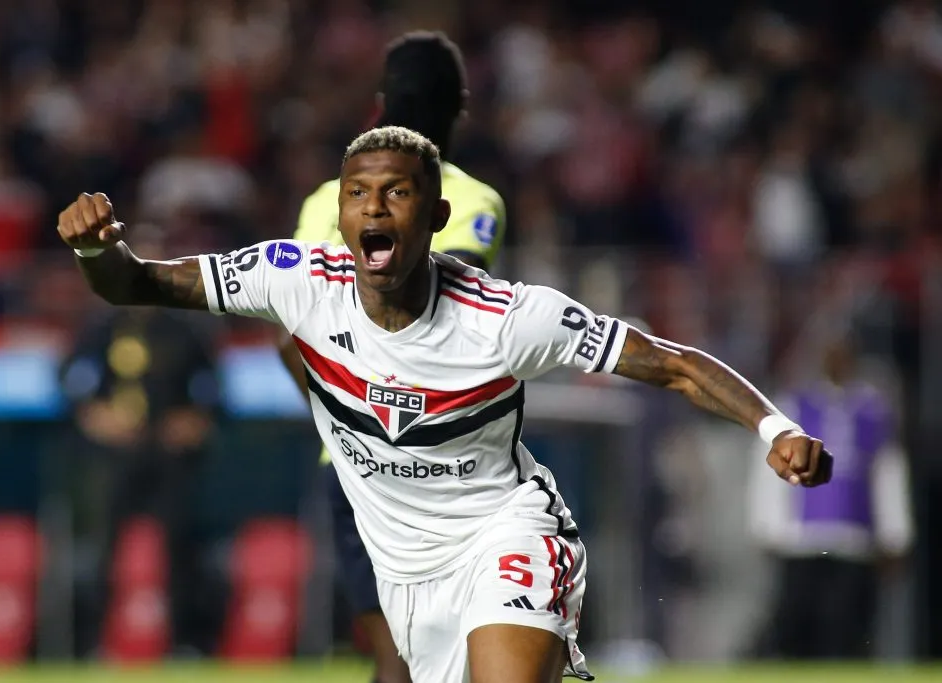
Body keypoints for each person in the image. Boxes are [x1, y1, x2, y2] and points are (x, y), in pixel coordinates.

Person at [56, 126, 832, 683]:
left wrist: (775, 425)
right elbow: (141, 283)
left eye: (397, 193)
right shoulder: (299, 280)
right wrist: (99, 249)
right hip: (406, 576)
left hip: (507, 535)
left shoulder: (507, 316)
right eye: (358, 194)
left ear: (434, 216)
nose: (374, 208)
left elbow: (670, 363)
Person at [283, 30, 505, 683]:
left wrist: (342, 418)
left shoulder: (329, 200)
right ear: (460, 108)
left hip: (348, 463)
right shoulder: (467, 199)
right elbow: (452, 313)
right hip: (437, 462)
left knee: (398, 657)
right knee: (443, 655)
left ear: (380, 103)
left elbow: (286, 332)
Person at [60, 228, 220, 657]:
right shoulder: (103, 324)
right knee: (103, 549)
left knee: (180, 548)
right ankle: (94, 644)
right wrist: (92, 415)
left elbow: (215, 388)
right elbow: (68, 380)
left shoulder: (185, 326)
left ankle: (186, 643)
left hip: (169, 453)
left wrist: (195, 419)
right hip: (114, 454)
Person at [749, 331, 912, 660]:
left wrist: (895, 535)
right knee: (796, 625)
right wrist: (765, 524)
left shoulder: (872, 412)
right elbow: (769, 464)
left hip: (854, 540)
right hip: (801, 539)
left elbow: (887, 474)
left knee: (846, 628)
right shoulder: (795, 405)